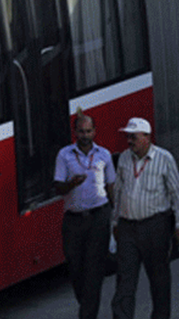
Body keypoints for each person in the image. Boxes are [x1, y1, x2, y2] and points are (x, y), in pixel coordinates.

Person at [111, 117, 179, 319]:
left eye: (133, 137)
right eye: (128, 136)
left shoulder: (164, 158)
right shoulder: (125, 158)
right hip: (127, 227)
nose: (129, 141)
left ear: (146, 137)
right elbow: (118, 191)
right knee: (125, 280)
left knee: (158, 279)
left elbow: (177, 194)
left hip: (155, 226)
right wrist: (115, 221)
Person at [54, 114, 116, 319]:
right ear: (75, 133)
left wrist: (116, 217)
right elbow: (58, 188)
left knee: (94, 268)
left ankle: (87, 315)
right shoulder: (64, 155)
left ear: (95, 132)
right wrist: (71, 183)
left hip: (99, 215)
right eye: (81, 131)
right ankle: (87, 305)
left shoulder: (104, 155)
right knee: (76, 268)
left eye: (89, 131)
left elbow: (111, 187)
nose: (85, 135)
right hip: (73, 219)